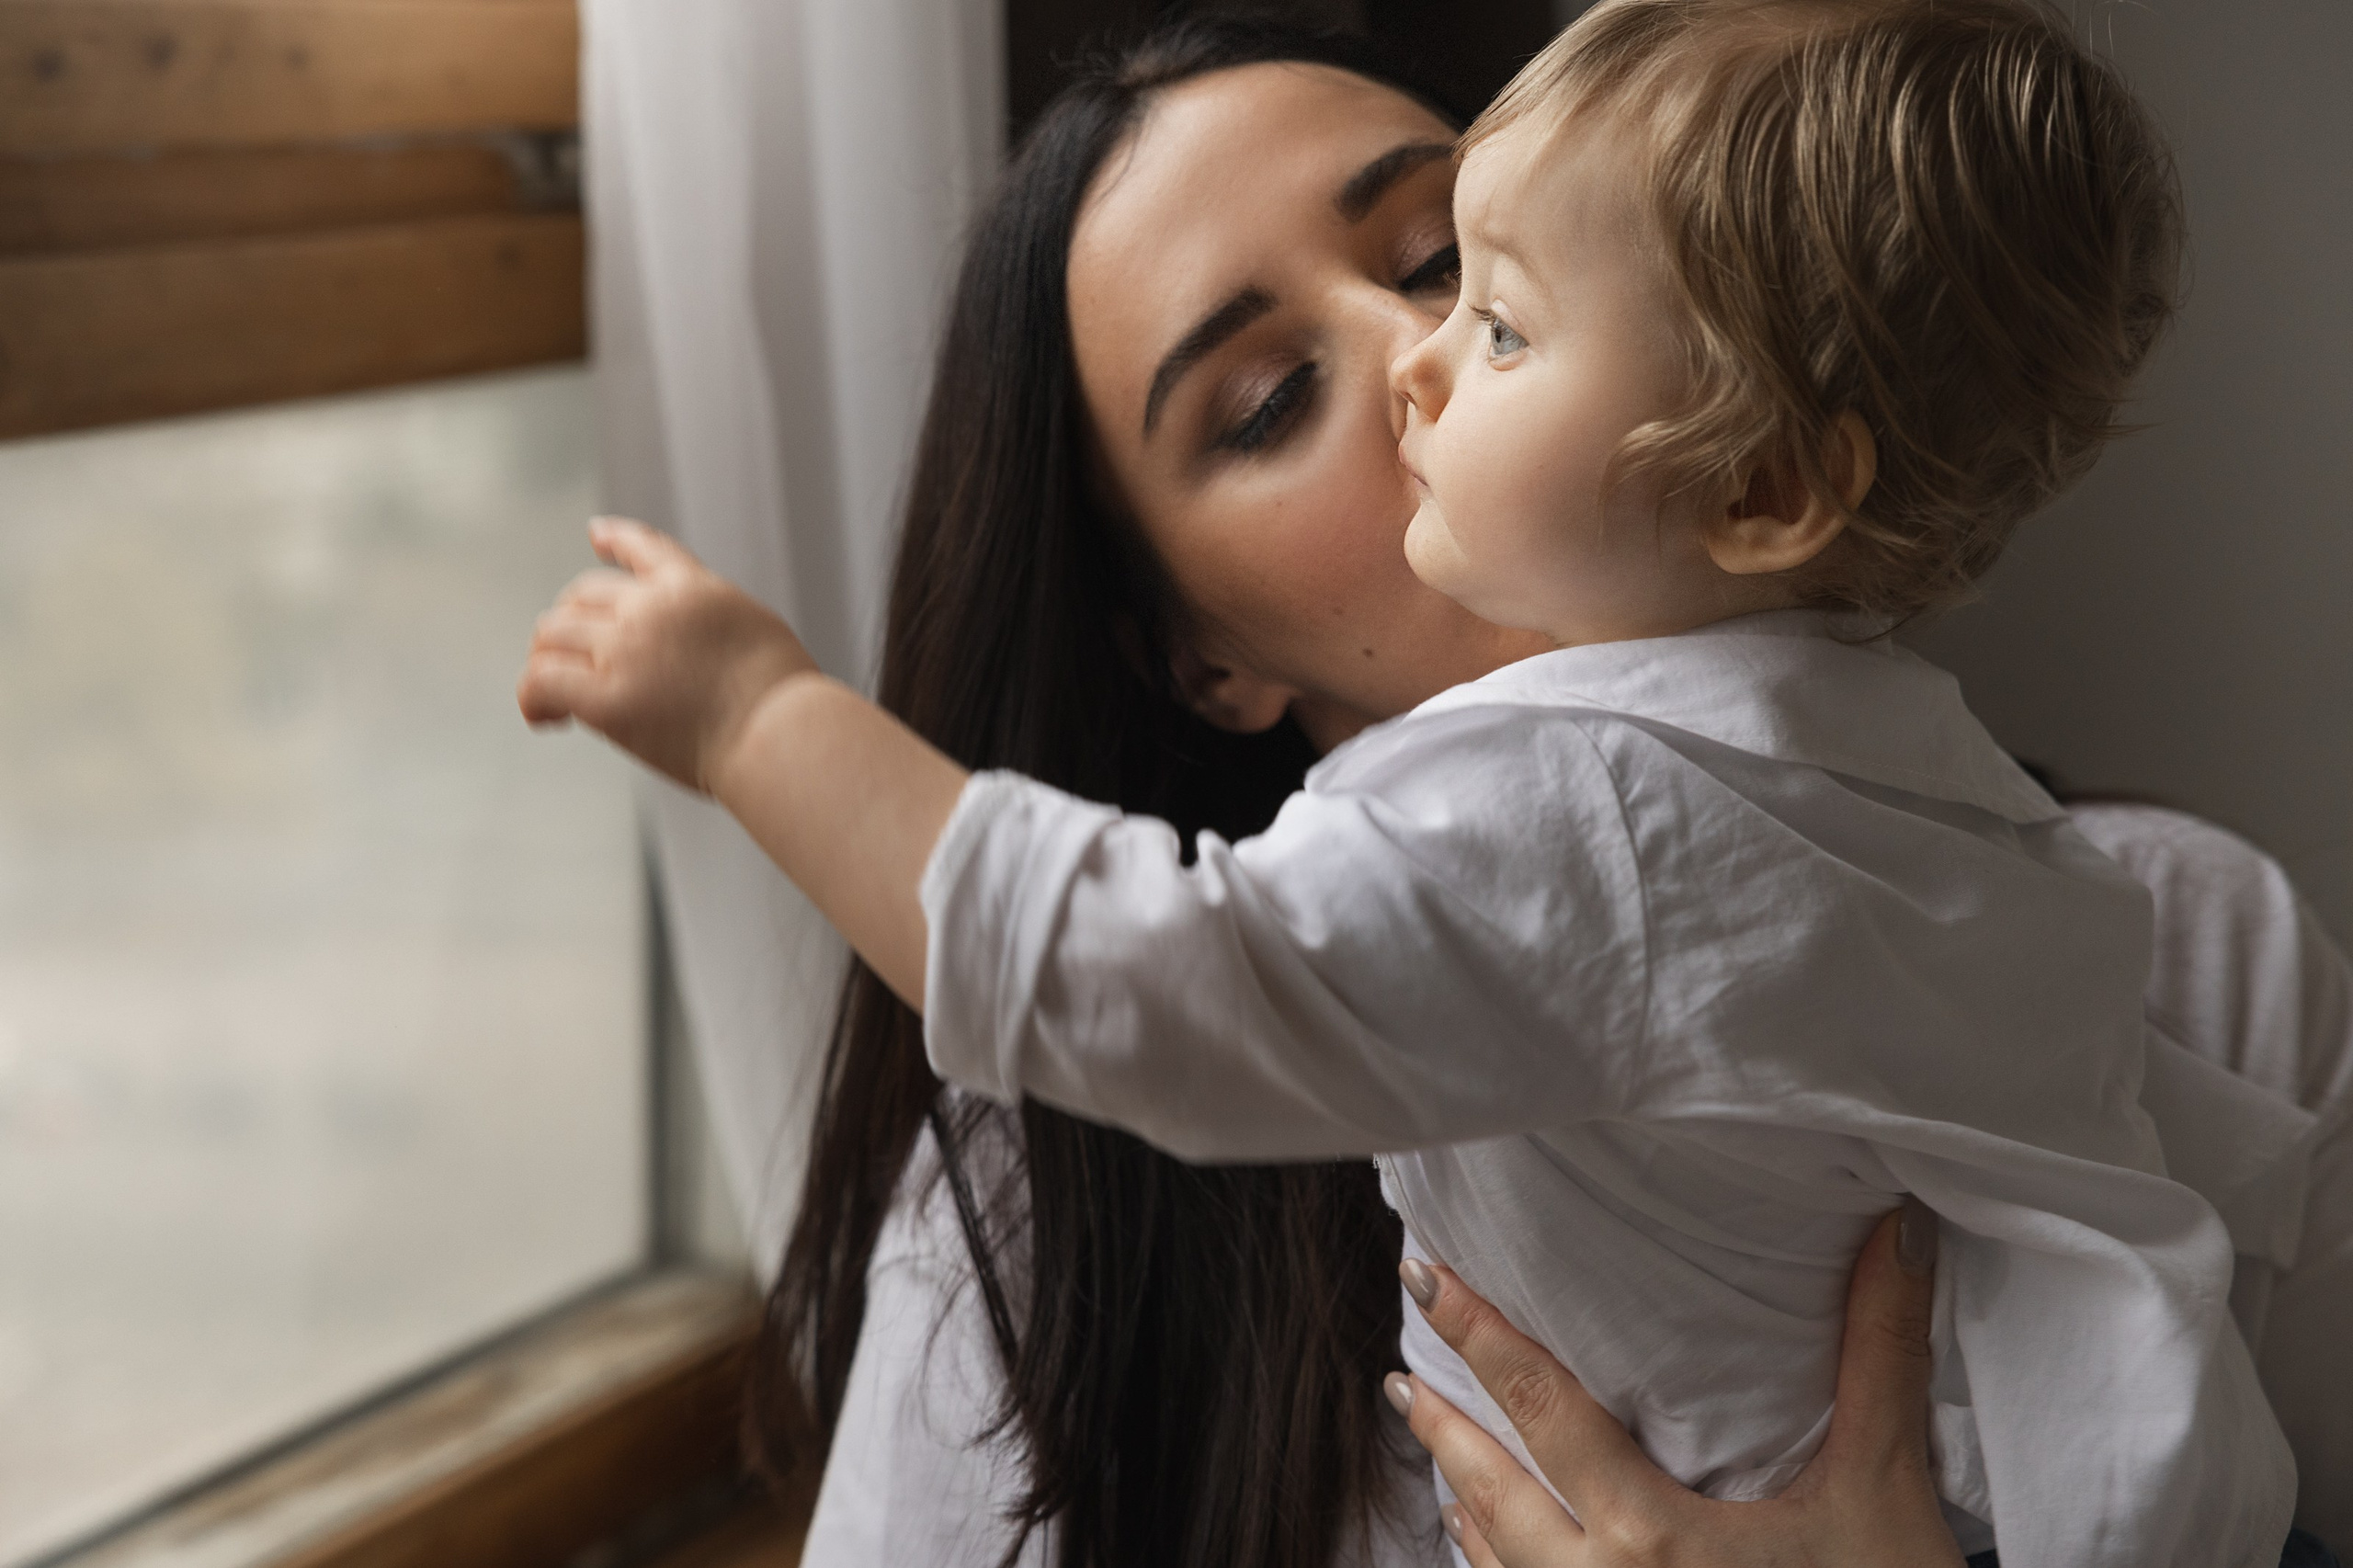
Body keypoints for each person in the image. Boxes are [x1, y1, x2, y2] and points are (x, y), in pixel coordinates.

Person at [520, 16, 2353, 1565]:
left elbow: (1140, 972)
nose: (1410, 358)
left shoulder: (2190, 959)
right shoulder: (1043, 1218)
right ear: (1199, 659)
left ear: (1756, 462)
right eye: (1260, 401)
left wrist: (761, 718)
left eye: (1463, 284)